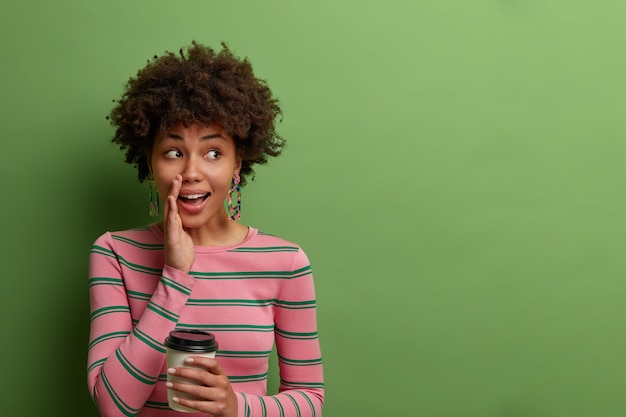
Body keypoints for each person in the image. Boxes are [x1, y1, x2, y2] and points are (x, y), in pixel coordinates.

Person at [87, 41, 324, 417]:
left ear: (237, 165)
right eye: (174, 152)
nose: (192, 172)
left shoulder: (285, 262)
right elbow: (113, 405)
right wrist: (175, 276)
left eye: (213, 152)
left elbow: (310, 399)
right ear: (151, 163)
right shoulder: (114, 253)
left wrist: (236, 407)